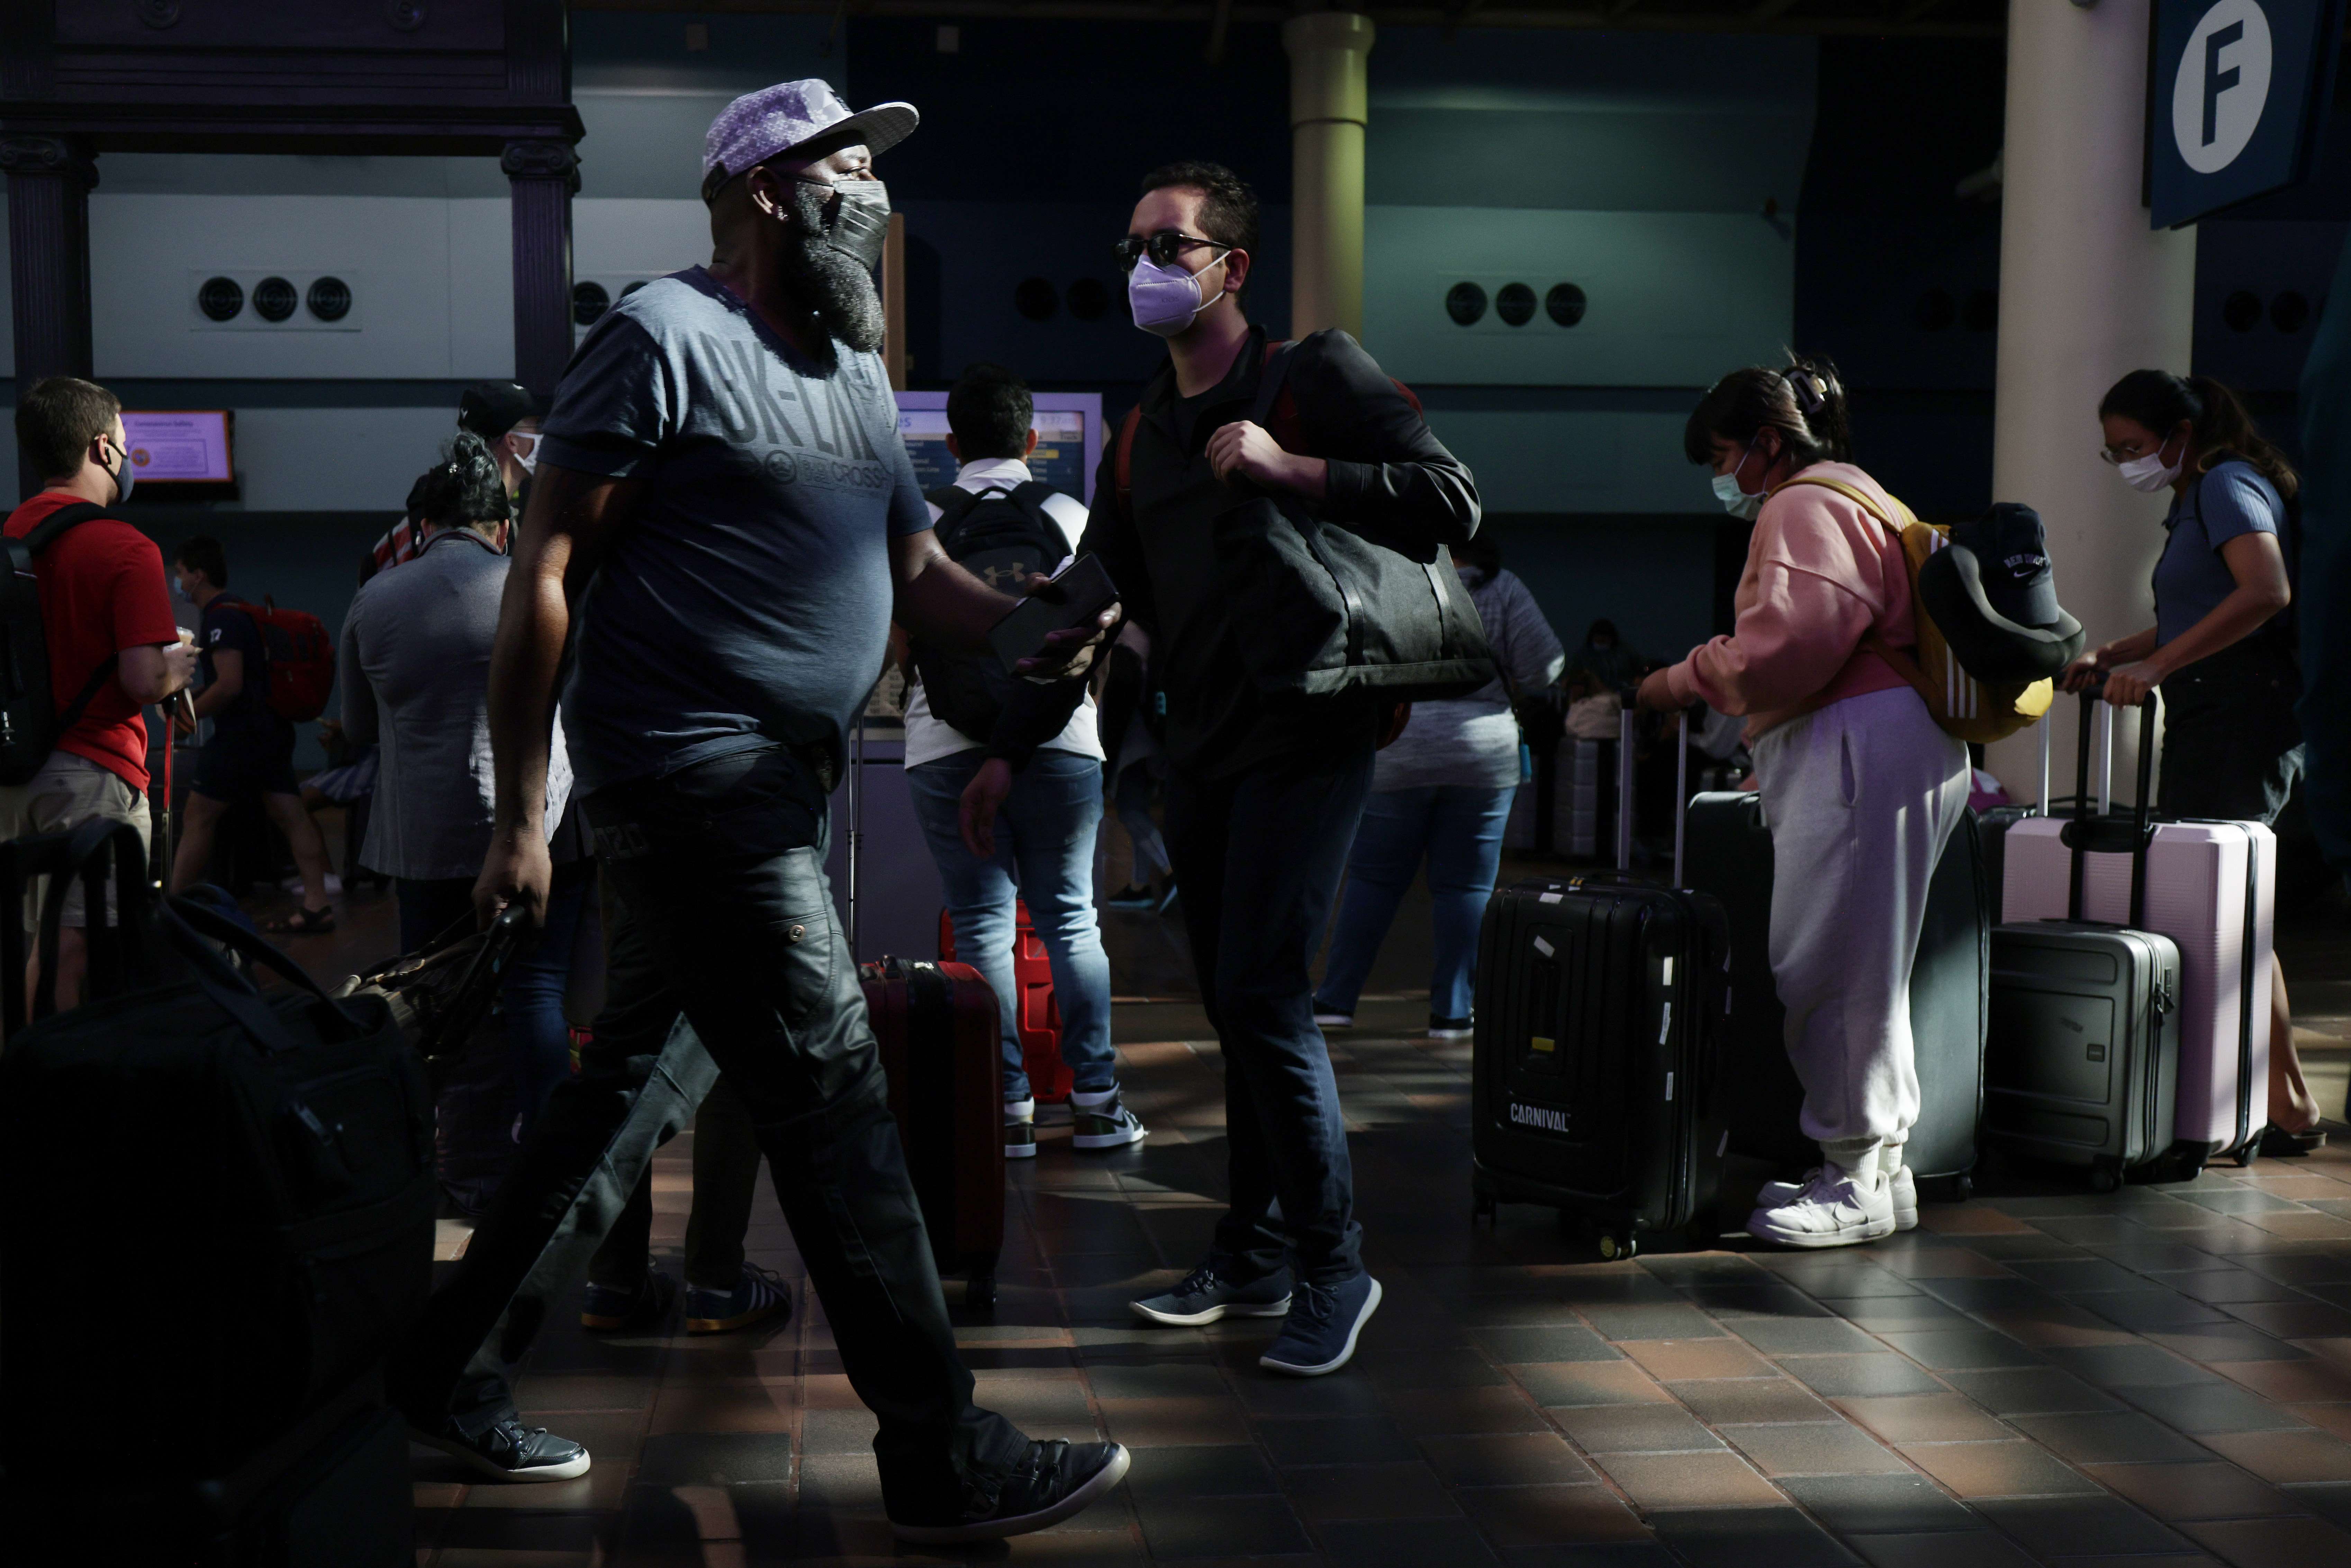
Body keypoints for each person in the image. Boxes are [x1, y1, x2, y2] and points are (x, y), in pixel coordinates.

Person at [392, 80, 1127, 1543]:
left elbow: (920, 575)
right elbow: (545, 574)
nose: (874, 193)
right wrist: (522, 812)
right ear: (771, 193)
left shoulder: (857, 369)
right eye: (849, 169)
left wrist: (1031, 624)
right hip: (688, 774)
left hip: (771, 792)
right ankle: (937, 1449)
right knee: (837, 1096)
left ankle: (445, 1366)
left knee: (630, 1094)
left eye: (876, 170)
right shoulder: (663, 339)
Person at [975, 160, 1477, 1374]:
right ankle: (1252, 1251)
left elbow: (1451, 502)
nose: (1146, 268)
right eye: (1135, 245)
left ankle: (1331, 1263)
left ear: (1230, 268)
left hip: (1308, 731)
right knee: (1238, 1006)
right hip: (1197, 742)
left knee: (1260, 995)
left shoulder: (1310, 378)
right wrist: (1038, 658)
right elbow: (1108, 581)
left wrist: (1287, 468)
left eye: (1171, 246)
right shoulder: (1144, 425)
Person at [1636, 355, 1970, 1249]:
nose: (1722, 477)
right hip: (1900, 740)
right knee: (1872, 969)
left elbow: (1787, 649)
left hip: (1853, 745)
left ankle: (1854, 1173)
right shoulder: (1867, 495)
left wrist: (1679, 679)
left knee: (1828, 966)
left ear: (1766, 444)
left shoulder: (1802, 502)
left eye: (1722, 455)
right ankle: (1877, 1166)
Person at [2066, 369, 2320, 1148]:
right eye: (2115, 454)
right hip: (2218, 711)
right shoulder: (2196, 496)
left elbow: (2266, 590)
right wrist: (2126, 651)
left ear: (2181, 435)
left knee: (2232, 907)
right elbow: (2199, 607)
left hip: (2238, 715)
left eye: (2135, 447)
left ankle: (2283, 1103)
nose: (2129, 464)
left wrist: (2159, 667)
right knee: (2231, 908)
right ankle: (2282, 1103)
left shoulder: (2224, 485)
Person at [899, 362, 1142, 1161]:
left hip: (943, 741)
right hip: (1062, 740)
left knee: (980, 930)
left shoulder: (925, 520)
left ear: (950, 441)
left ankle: (1004, 1109)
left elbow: (898, 637)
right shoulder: (1069, 514)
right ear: (1032, 440)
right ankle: (1098, 1102)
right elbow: (1106, 625)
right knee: (1072, 919)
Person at [341, 434, 585, 1136]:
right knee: (536, 993)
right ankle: (543, 1160)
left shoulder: (374, 599)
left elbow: (357, 726)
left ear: (422, 528)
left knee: (429, 998)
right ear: (503, 527)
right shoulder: (529, 589)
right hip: (537, 828)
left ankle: (434, 1153)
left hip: (424, 840)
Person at [0, 377, 200, 1007]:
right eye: (124, 438)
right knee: (79, 952)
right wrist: (182, 666)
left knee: (34, 942)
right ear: (100, 449)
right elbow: (141, 680)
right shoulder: (124, 547)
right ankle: (53, 1095)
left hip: (13, 769)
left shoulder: (9, 538)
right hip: (90, 776)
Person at [1313, 537, 1564, 1039]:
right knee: (1465, 887)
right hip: (1482, 754)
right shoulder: (1504, 589)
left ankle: (1336, 1002)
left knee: (1372, 880)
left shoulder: (1388, 576)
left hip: (1399, 747)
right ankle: (1451, 1012)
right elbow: (1545, 667)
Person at [165, 535, 338, 933]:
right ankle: (318, 903)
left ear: (198, 574)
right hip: (270, 733)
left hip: (240, 739)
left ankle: (173, 909)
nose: (178, 581)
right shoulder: (240, 610)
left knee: (198, 817)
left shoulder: (221, 619)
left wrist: (183, 712)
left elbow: (229, 685)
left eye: (180, 573)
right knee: (291, 816)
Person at [364, 383, 541, 582]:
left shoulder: (508, 512)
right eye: (536, 427)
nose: (543, 437)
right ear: (512, 442)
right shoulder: (437, 520)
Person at [1566, 618, 1641, 697]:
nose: (1601, 643)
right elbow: (1569, 677)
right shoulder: (1583, 656)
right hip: (1595, 698)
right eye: (1599, 641)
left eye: (1604, 641)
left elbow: (1641, 669)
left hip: (1624, 695)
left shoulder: (1624, 653)